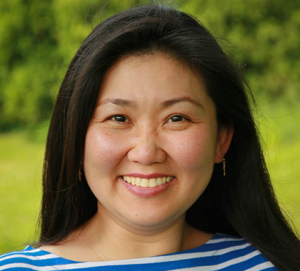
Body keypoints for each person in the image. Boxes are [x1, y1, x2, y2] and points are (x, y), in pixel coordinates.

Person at [1, 4, 300, 271]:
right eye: (118, 118)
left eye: (177, 118)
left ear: (221, 141)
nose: (146, 152)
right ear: (76, 139)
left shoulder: (268, 264)